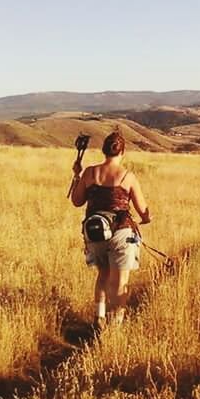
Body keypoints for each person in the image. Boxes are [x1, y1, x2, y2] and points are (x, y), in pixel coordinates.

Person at [70, 131, 151, 327]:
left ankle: (99, 317)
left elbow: (76, 201)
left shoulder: (89, 172)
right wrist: (147, 218)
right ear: (122, 152)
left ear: (103, 150)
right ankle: (115, 326)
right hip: (122, 232)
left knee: (103, 275)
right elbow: (143, 211)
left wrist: (76, 176)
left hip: (95, 231)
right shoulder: (127, 176)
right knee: (120, 281)